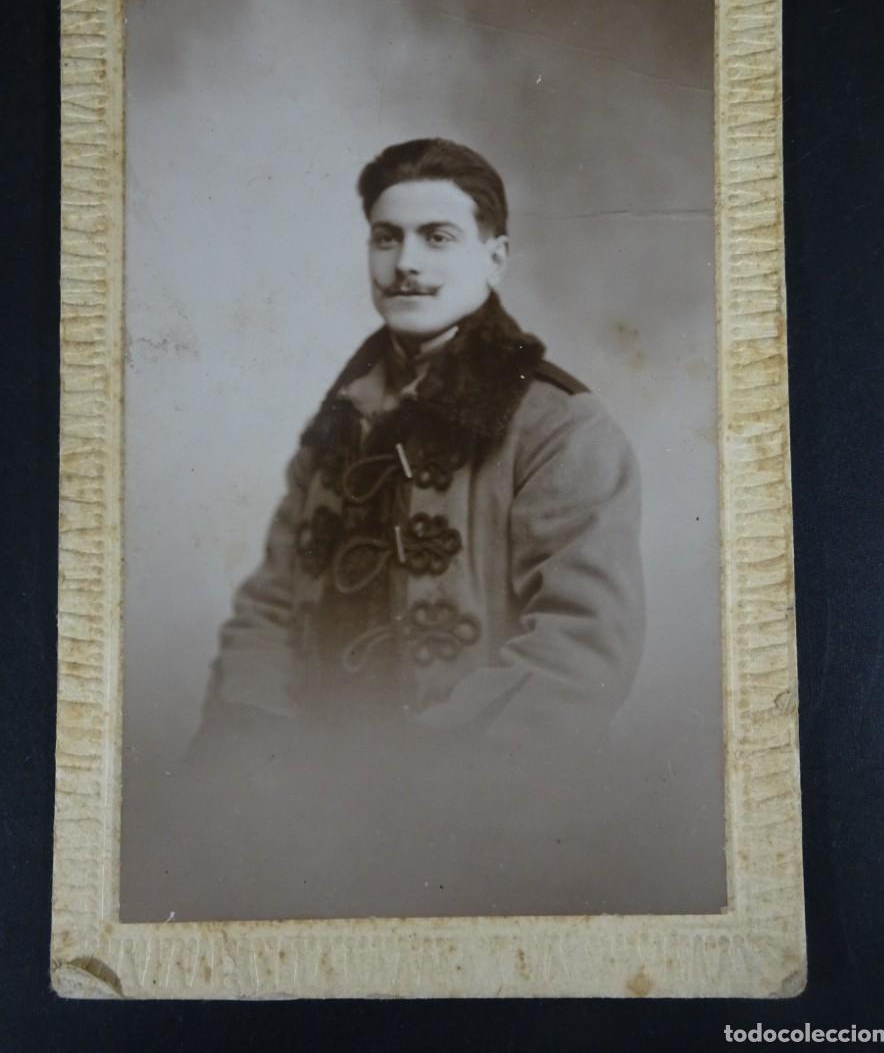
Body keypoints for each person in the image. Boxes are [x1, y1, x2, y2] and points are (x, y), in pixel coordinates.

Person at [177, 138, 645, 919]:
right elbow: (273, 603)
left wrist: (421, 793)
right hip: (315, 821)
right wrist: (239, 760)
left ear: (495, 258)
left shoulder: (561, 426)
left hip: (491, 829)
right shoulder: (343, 421)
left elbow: (582, 652)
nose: (406, 264)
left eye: (438, 237)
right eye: (387, 237)